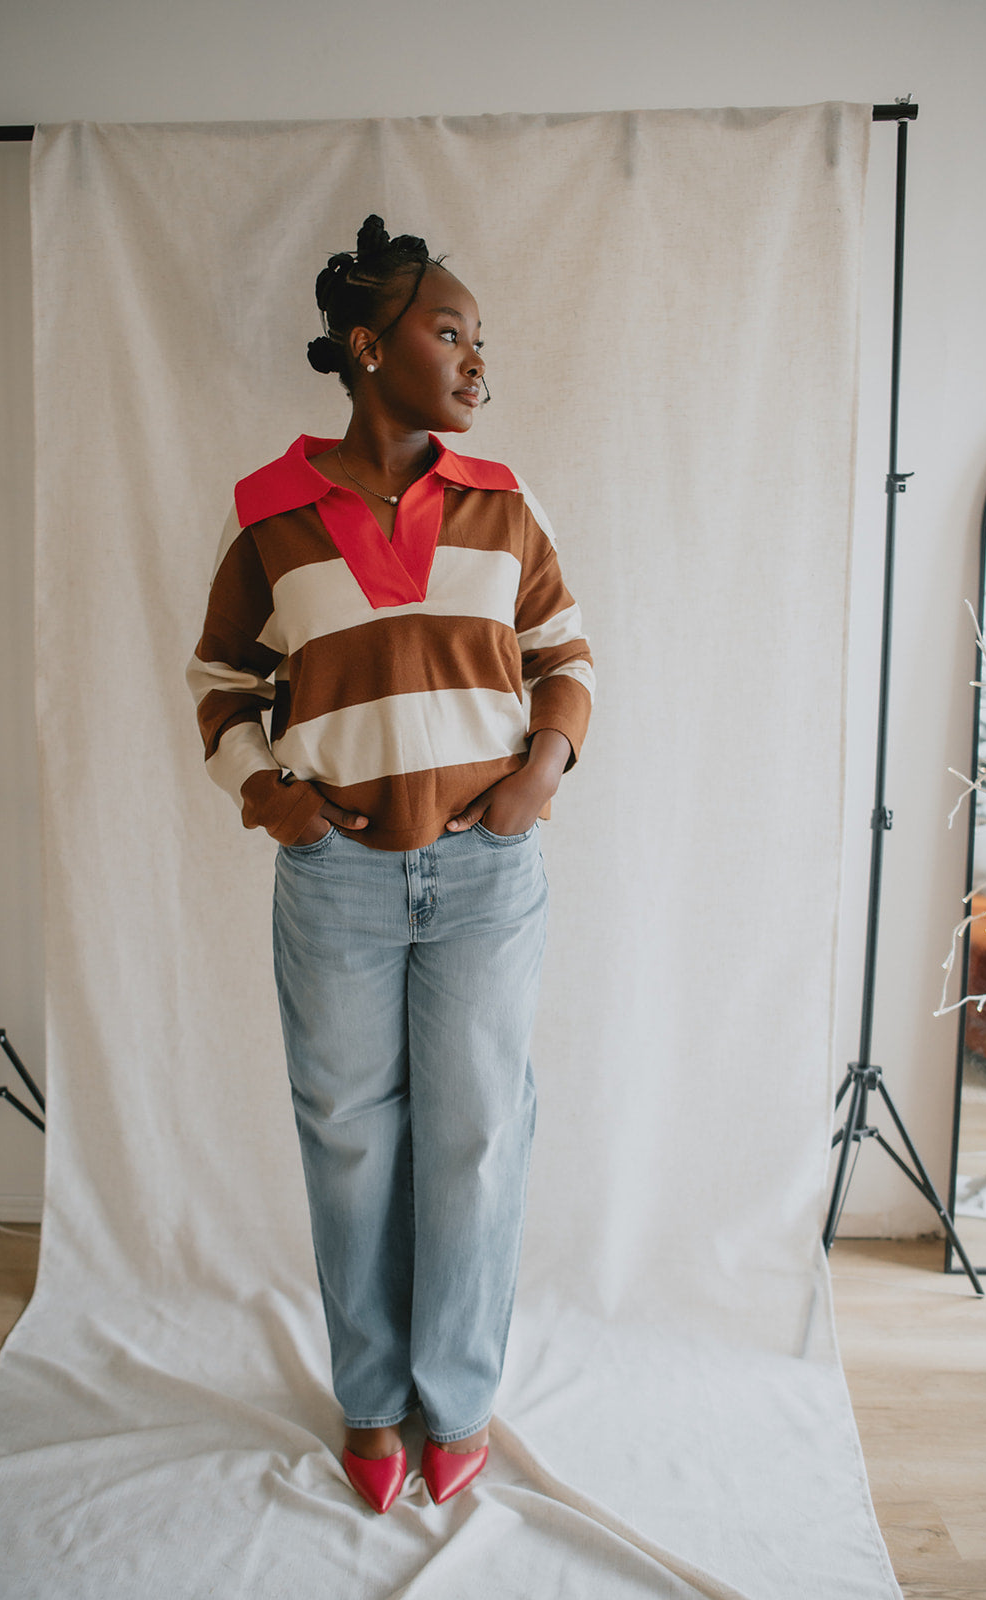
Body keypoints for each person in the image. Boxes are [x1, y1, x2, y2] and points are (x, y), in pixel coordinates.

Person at [188, 216, 594, 1513]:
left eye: (479, 340)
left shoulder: (503, 503)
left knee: (475, 1139)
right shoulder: (270, 514)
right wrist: (272, 799)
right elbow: (218, 679)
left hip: (486, 876)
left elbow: (565, 658)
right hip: (338, 885)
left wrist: (537, 777)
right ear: (369, 349)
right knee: (351, 1142)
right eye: (449, 331)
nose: (476, 361)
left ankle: (455, 1398)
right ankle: (371, 1398)